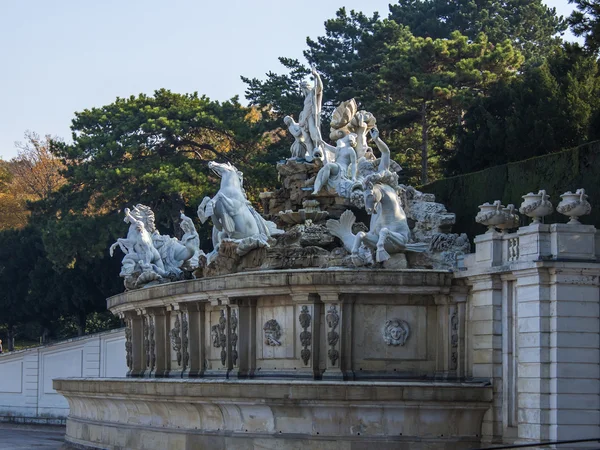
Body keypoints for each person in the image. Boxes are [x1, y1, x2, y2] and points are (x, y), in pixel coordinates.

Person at [298, 64, 324, 160]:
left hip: (312, 116)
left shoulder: (313, 93)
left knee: (314, 135)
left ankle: (319, 149)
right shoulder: (306, 97)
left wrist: (316, 75)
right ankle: (311, 155)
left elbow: (320, 87)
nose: (303, 90)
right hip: (305, 119)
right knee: (307, 139)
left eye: (304, 88)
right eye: (302, 89)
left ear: (308, 87)